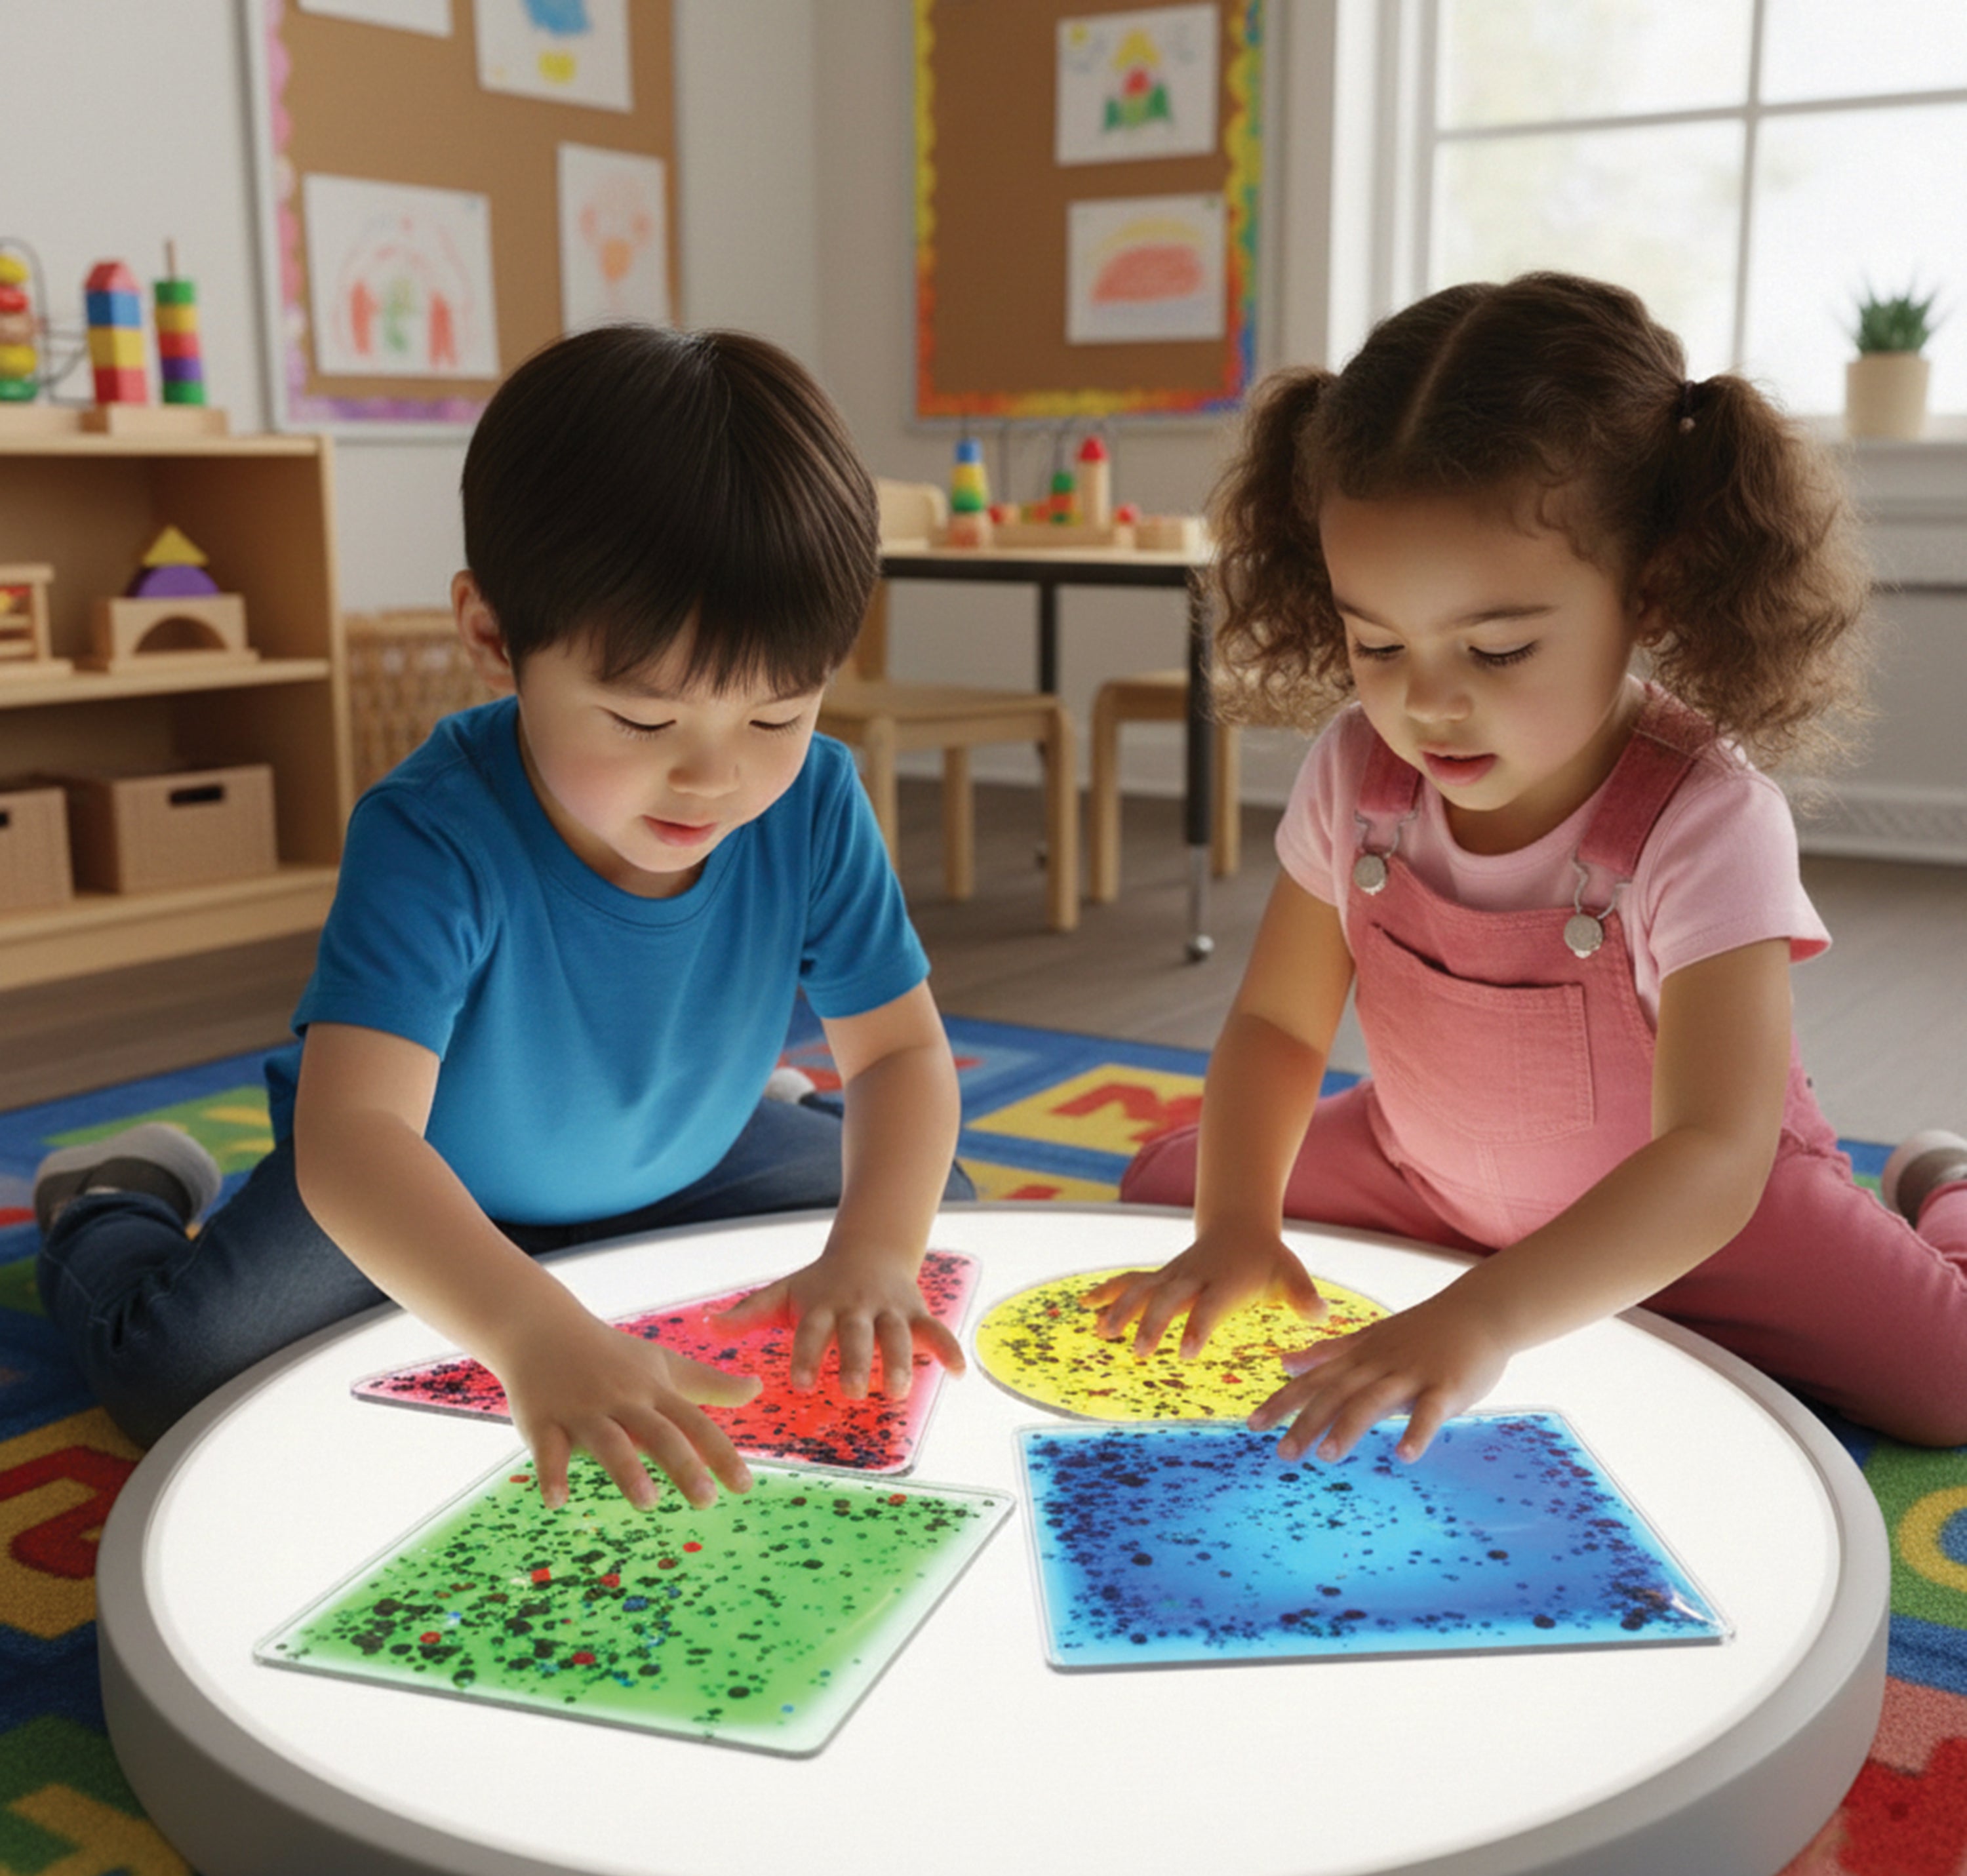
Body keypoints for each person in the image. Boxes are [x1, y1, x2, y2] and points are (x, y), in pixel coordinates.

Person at [35, 323, 973, 1508]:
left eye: (777, 718)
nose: (714, 778)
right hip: (431, 1175)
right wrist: (532, 1332)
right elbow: (355, 1144)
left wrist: (873, 1253)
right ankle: (109, 1200)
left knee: (921, 1235)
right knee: (178, 1371)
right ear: (493, 639)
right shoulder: (434, 831)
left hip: (685, 1147)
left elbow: (899, 1052)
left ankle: (733, 1118)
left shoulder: (820, 802)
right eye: (644, 725)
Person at [1096, 271, 1967, 1467]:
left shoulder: (1707, 815)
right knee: (1167, 1202)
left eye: (1498, 648)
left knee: (1952, 1385)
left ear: (1647, 589)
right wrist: (1239, 1224)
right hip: (1425, 1170)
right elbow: (1277, 1024)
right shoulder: (1358, 771)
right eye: (1376, 642)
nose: (1425, 701)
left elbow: (1714, 1154)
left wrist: (1478, 1318)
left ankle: (1945, 1184)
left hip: (1709, 1222)